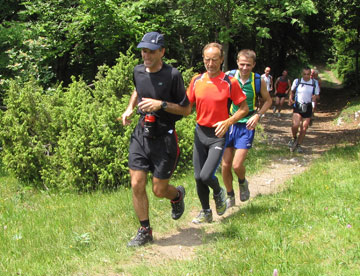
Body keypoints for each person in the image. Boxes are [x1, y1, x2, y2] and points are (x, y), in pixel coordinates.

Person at [121, 32, 191, 247]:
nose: (147, 55)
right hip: (141, 134)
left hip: (164, 137)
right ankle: (145, 231)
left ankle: (177, 196)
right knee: (136, 183)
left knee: (159, 190)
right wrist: (130, 108)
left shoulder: (172, 75)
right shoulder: (138, 70)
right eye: (144, 51)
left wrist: (160, 105)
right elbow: (137, 89)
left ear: (162, 51)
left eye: (151, 51)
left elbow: (186, 109)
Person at [186, 43, 249, 224]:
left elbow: (244, 108)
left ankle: (219, 192)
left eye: (214, 59)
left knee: (206, 176)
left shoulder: (230, 82)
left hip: (218, 134)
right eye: (207, 59)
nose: (210, 63)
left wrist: (228, 121)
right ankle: (206, 211)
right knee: (198, 177)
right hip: (200, 132)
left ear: (222, 60)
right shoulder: (196, 80)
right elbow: (186, 106)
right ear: (203, 59)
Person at [222, 49, 272, 207]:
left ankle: (242, 182)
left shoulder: (257, 80)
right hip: (230, 122)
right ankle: (230, 195)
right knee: (225, 164)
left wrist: (258, 116)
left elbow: (268, 101)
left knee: (237, 165)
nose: (244, 68)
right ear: (237, 62)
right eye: (242, 64)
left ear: (254, 65)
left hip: (247, 124)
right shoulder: (229, 76)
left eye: (248, 65)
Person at [288, 67, 320, 153]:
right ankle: (294, 137)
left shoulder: (314, 83)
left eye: (308, 74)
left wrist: (315, 97)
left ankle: (299, 145)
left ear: (310, 74)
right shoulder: (297, 81)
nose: (306, 76)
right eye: (304, 74)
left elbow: (317, 95)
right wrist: (290, 98)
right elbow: (292, 91)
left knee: (304, 128)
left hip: (308, 106)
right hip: (298, 105)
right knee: (295, 125)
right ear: (302, 74)